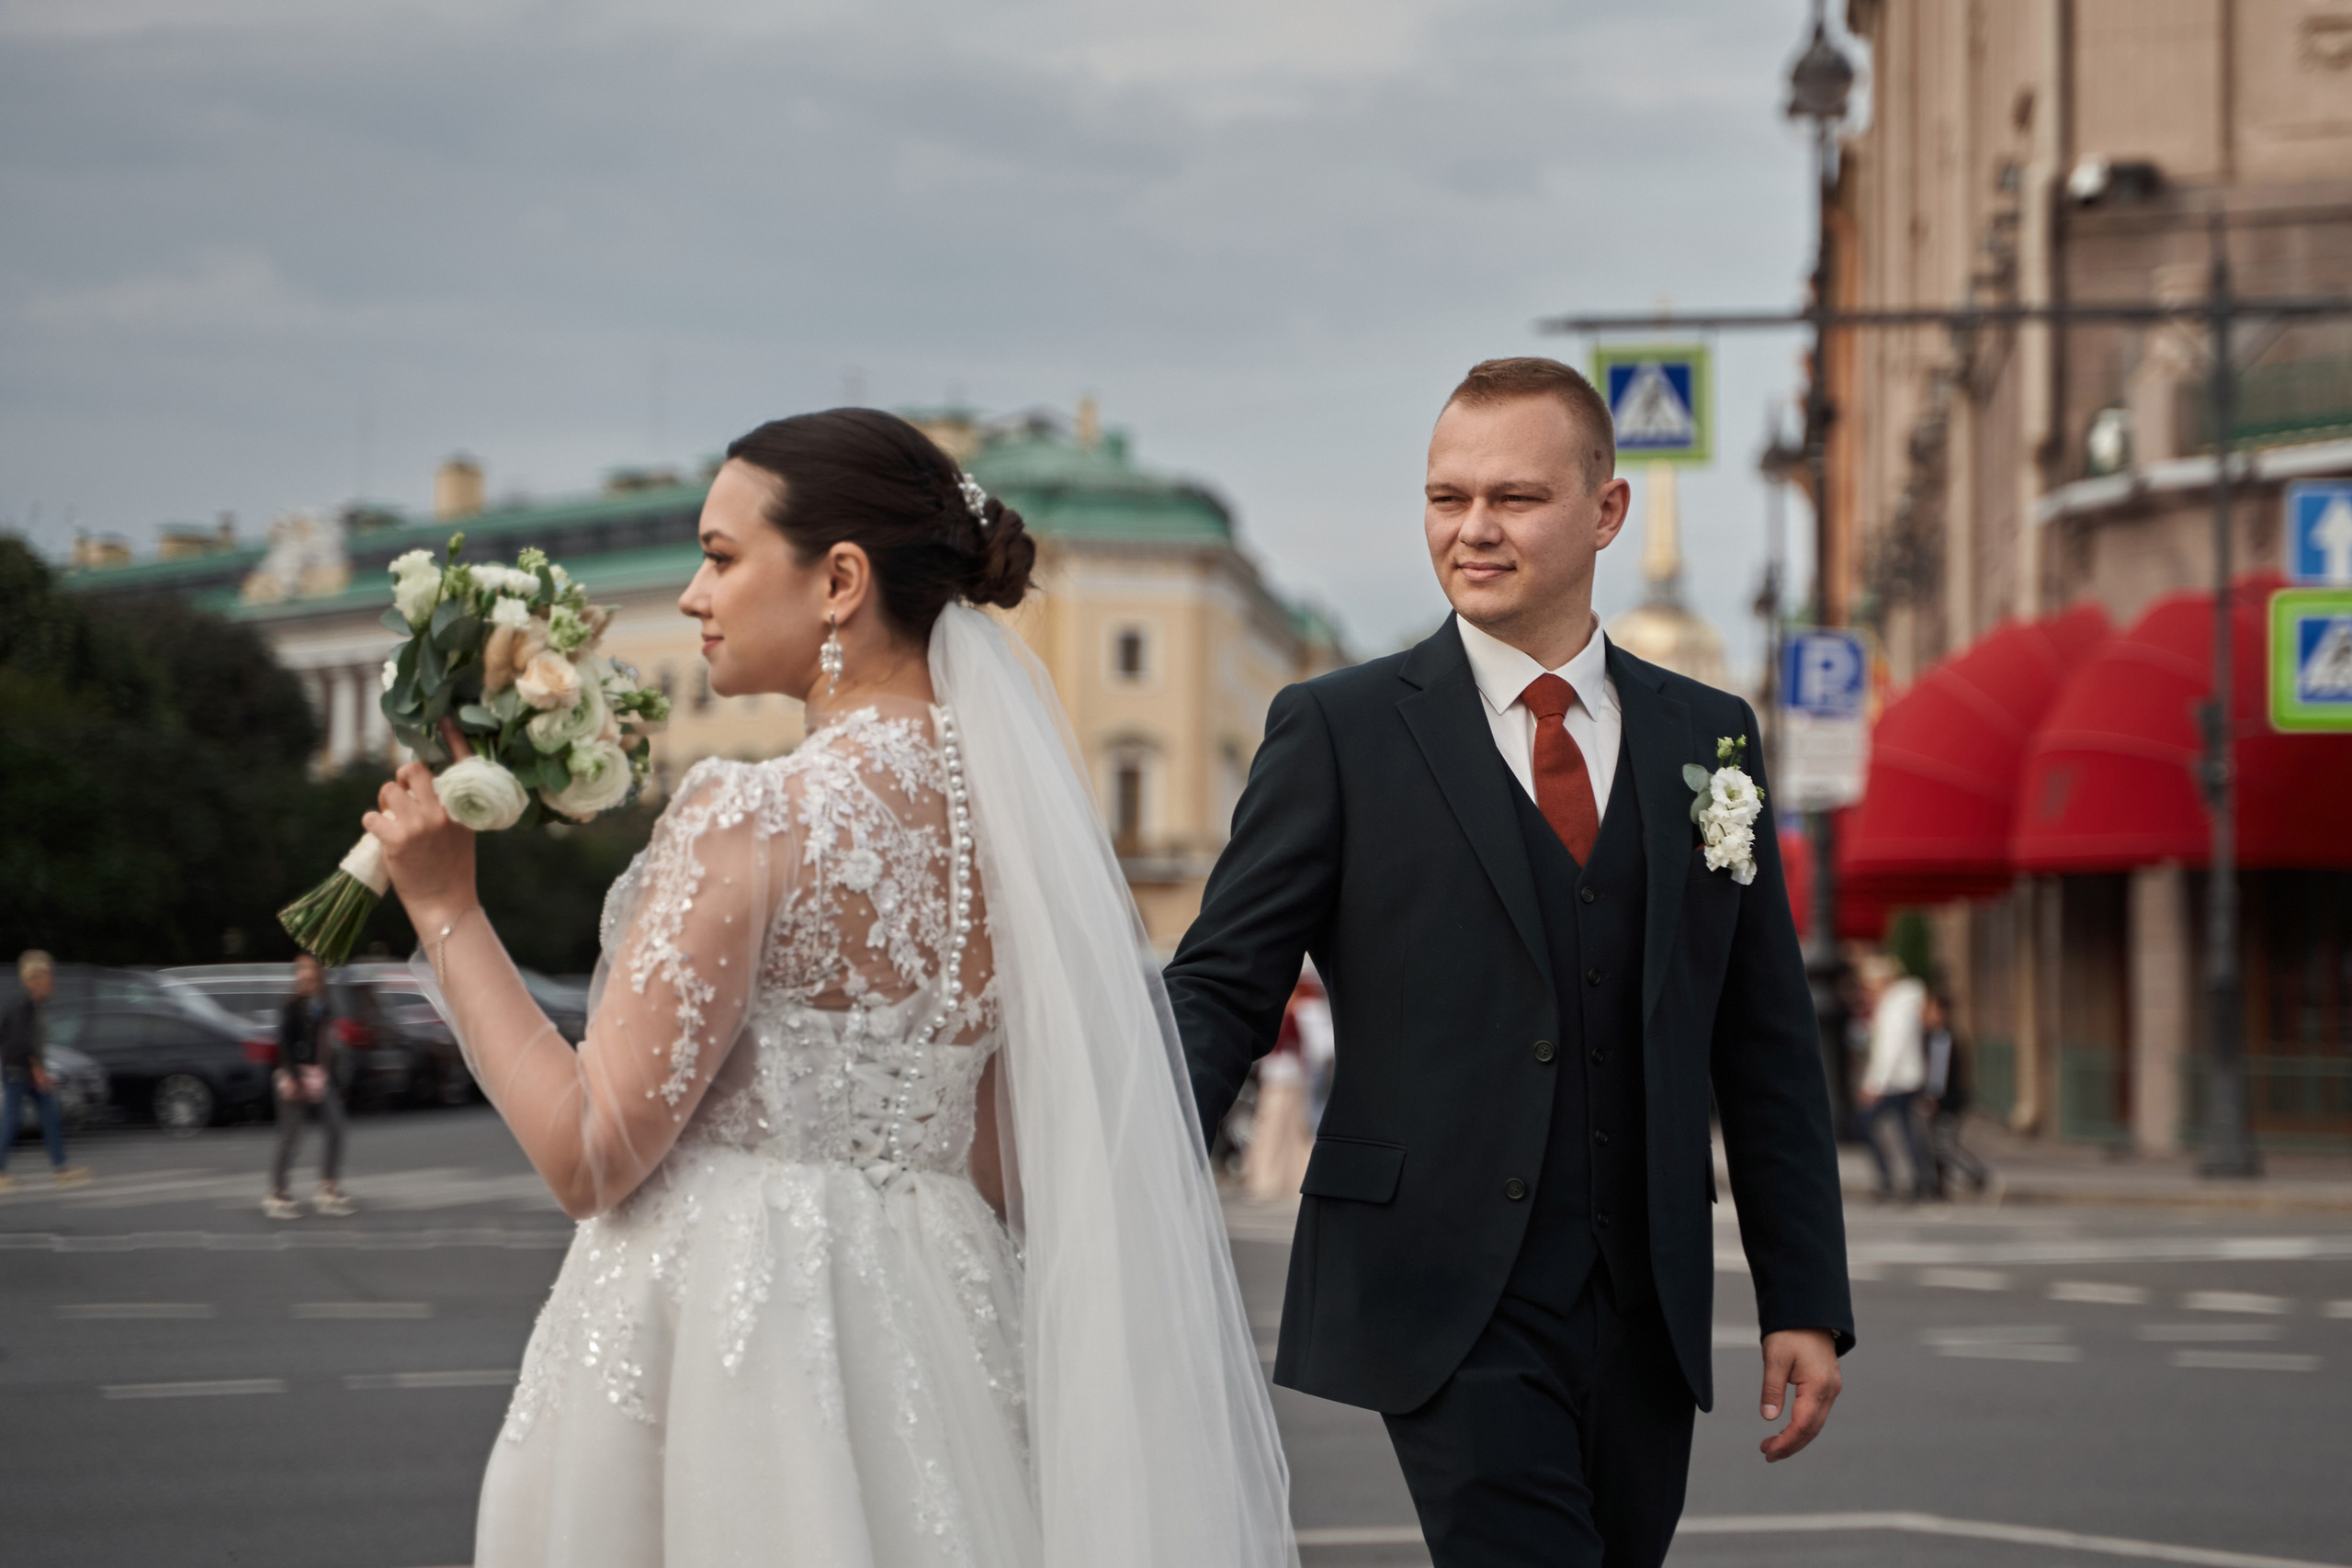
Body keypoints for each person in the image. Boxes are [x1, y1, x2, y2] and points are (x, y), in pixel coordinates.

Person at [363, 409, 1295, 1568]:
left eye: (718, 556)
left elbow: (591, 1151)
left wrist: (445, 909)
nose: (694, 596)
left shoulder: (753, 816)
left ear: (840, 580)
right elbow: (1005, 1169)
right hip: (943, 1319)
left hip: (736, 1350)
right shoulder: (1007, 835)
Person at [1166, 358, 1852, 1568]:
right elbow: (1224, 985)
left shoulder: (1712, 734)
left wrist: (1804, 1294)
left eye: (1514, 498)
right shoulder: (1339, 730)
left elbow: (1762, 1036)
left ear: (1606, 512)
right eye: (1447, 496)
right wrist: (1112, 1174)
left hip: (1647, 1298)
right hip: (1439, 1286)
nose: (1472, 528)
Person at [265, 953, 354, 1219]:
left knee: (337, 1128)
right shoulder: (290, 1005)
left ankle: (328, 1185)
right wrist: (294, 1076)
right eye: (301, 970)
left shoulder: (323, 1004)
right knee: (291, 1136)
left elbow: (328, 1044)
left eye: (310, 969)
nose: (305, 975)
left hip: (320, 1077)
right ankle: (278, 1191)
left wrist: (332, 1079)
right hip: (294, 1078)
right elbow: (284, 1044)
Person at [1, 952, 91, 1193]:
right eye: (47, 975)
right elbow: (19, 1042)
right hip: (18, 1071)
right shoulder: (24, 1007)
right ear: (34, 979)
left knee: (50, 1113)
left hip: (24, 1070)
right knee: (11, 1118)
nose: (52, 980)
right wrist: (37, 1071)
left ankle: (61, 1170)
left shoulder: (34, 1006)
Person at [1856, 956, 1934, 1202]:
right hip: (1899, 1080)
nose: (1867, 993)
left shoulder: (1897, 1007)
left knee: (1870, 1125)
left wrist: (1874, 1084)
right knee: (1907, 1132)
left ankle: (1899, 1181)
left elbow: (1891, 1050)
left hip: (1899, 1082)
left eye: (1870, 987)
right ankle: (1917, 1182)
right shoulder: (1893, 1005)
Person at [1241, 975, 1318, 1202]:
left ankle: (1283, 1176)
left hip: (1288, 1077)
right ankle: (1272, 1176)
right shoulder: (1286, 1014)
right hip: (1281, 1077)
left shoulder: (1296, 1015)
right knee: (1275, 1127)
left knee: (1288, 1127)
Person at [1922, 989, 1989, 1197]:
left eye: (1932, 1010)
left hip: (1948, 1101)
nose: (1927, 1015)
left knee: (1944, 1145)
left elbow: (1939, 1074)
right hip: (1943, 1100)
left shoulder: (1944, 1038)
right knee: (1937, 1145)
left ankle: (1976, 1174)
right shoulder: (1931, 1037)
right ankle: (1941, 1187)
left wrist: (1933, 1096)